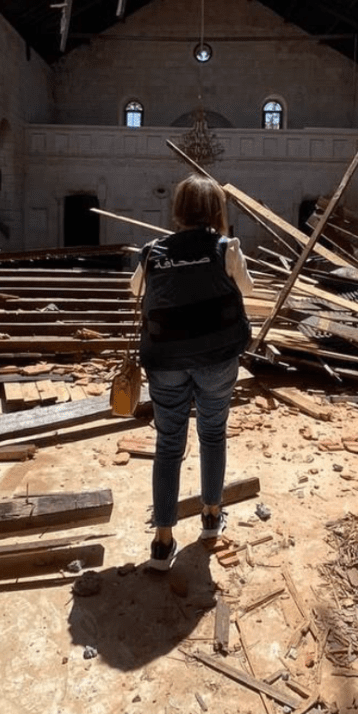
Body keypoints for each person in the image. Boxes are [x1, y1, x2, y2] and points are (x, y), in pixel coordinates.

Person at [130, 174, 254, 570]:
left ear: (178, 211)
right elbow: (247, 290)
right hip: (217, 356)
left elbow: (135, 292)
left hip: (165, 360)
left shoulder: (152, 251)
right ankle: (211, 517)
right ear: (217, 210)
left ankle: (163, 542)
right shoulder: (226, 247)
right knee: (212, 434)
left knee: (169, 444)